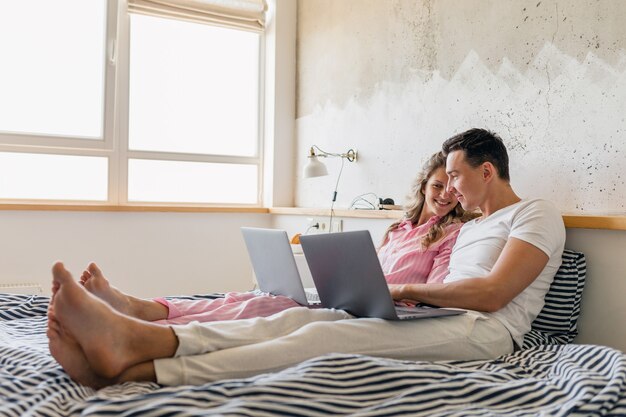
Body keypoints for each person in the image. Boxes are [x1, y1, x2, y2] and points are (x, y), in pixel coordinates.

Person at [47, 128, 565, 389]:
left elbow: (493, 294)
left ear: (488, 171)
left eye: (455, 175)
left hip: (483, 330)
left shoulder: (537, 215)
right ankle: (149, 340)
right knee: (297, 316)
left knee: (323, 336)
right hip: (443, 313)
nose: (449, 187)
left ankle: (137, 370)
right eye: (445, 178)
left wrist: (403, 292)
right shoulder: (473, 225)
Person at [77, 151, 470, 325]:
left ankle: (145, 315)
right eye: (439, 185)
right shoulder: (396, 229)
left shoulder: (451, 235)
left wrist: (395, 292)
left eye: (453, 191)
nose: (444, 195)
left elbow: (433, 292)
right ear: (424, 184)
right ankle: (143, 307)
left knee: (261, 309)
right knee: (251, 298)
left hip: (377, 313)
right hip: (352, 300)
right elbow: (366, 273)